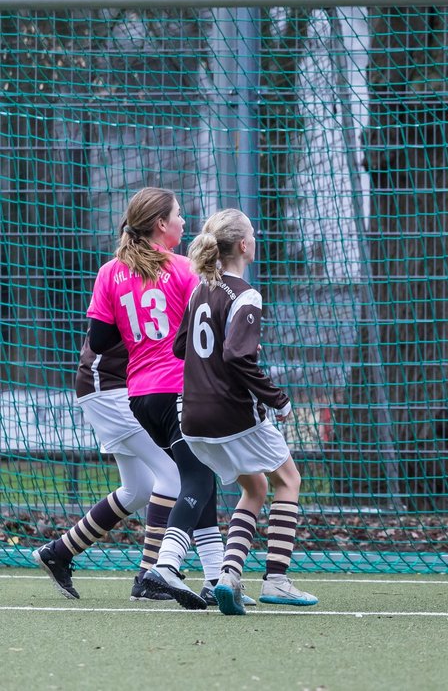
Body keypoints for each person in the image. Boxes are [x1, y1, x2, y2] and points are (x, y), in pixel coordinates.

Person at [81, 186, 224, 610]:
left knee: (202, 476)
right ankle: (163, 567)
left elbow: (102, 340)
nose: (184, 221)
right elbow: (204, 333)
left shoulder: (110, 272)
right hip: (179, 388)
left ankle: (216, 578)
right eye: (178, 215)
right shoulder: (183, 269)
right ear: (161, 224)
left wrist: (137, 324)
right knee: (196, 479)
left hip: (141, 396)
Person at [174, 208, 316, 615]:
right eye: (252, 234)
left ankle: (228, 576)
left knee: (254, 488)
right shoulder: (246, 294)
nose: (255, 240)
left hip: (194, 419)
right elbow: (238, 356)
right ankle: (276, 579)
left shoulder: (201, 289)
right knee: (289, 479)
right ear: (242, 245)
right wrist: (278, 399)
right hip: (231, 413)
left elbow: (179, 348)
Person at [31, 338, 182, 602]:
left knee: (138, 490)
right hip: (111, 389)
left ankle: (58, 552)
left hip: (116, 386)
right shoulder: (128, 294)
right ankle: (149, 579)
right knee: (171, 475)